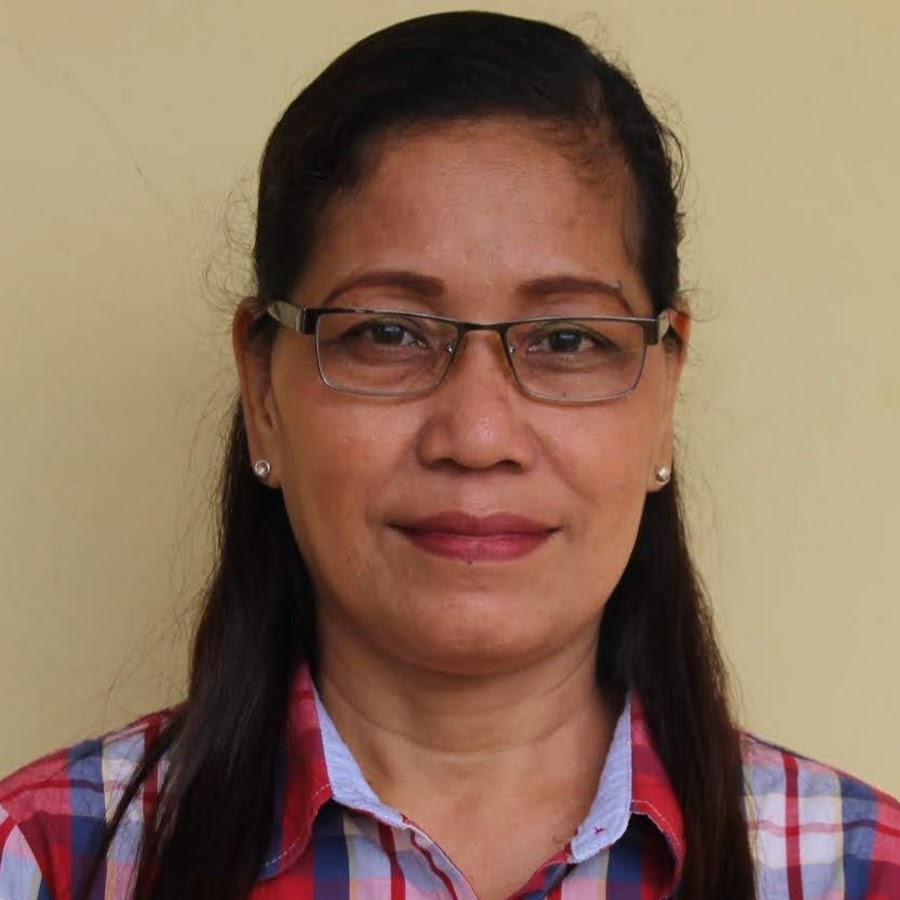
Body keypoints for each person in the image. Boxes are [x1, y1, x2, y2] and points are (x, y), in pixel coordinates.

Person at [0, 10, 897, 900]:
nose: (477, 437)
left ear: (664, 395)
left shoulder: (858, 876)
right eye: (388, 333)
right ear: (264, 394)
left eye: (568, 340)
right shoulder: (48, 863)